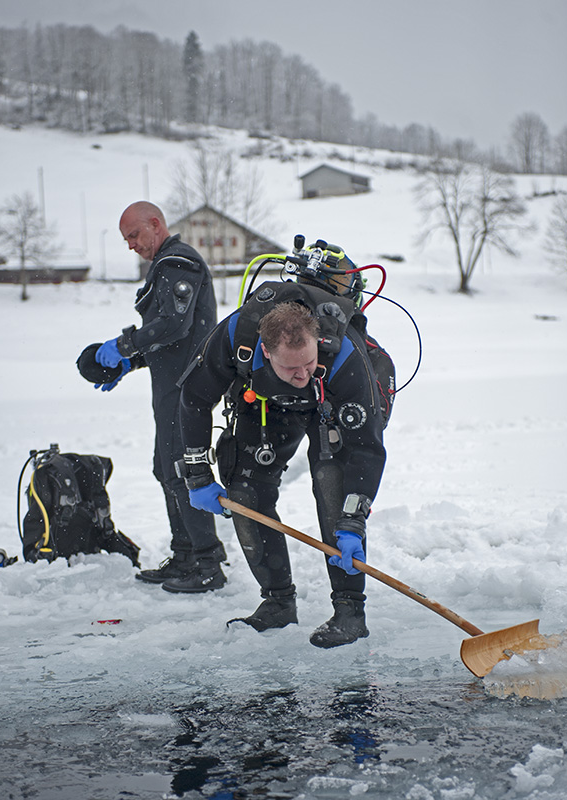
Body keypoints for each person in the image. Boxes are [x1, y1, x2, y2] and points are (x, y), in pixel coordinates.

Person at [175, 276, 387, 648]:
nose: (302, 373)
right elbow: (193, 398)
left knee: (333, 491)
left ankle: (351, 610)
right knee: (245, 492)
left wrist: (354, 520)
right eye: (292, 368)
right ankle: (277, 603)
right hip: (266, 403)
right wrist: (197, 472)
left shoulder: (342, 357)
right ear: (266, 351)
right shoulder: (235, 338)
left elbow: (366, 449)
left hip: (331, 404)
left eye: (308, 362)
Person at [92, 201, 227, 593]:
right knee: (165, 467)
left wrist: (125, 344)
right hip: (173, 383)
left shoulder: (177, 263)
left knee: (181, 470)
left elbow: (174, 325)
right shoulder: (166, 265)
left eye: (134, 235)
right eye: (126, 240)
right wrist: (128, 363)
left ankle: (207, 563)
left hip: (186, 387)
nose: (131, 245)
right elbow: (169, 337)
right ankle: (186, 554)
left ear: (155, 224)